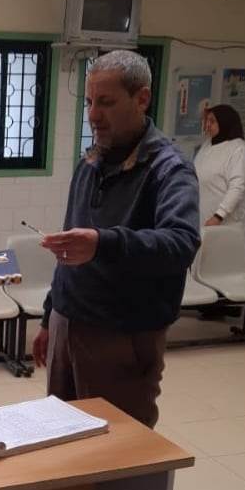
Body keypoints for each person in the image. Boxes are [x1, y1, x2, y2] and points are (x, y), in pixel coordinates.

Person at [32, 50, 200, 428]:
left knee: (118, 445)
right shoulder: (90, 163)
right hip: (67, 323)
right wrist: (49, 317)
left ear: (142, 98)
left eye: (106, 102)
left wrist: (104, 243)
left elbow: (181, 243)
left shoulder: (168, 169)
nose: (93, 115)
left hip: (122, 337)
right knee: (61, 435)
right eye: (89, 102)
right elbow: (68, 251)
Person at [194, 104, 245, 251]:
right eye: (207, 121)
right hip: (205, 219)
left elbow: (237, 187)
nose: (207, 125)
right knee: (203, 260)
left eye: (212, 121)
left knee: (225, 261)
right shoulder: (207, 145)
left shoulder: (239, 148)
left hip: (228, 222)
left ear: (225, 122)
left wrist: (218, 216)